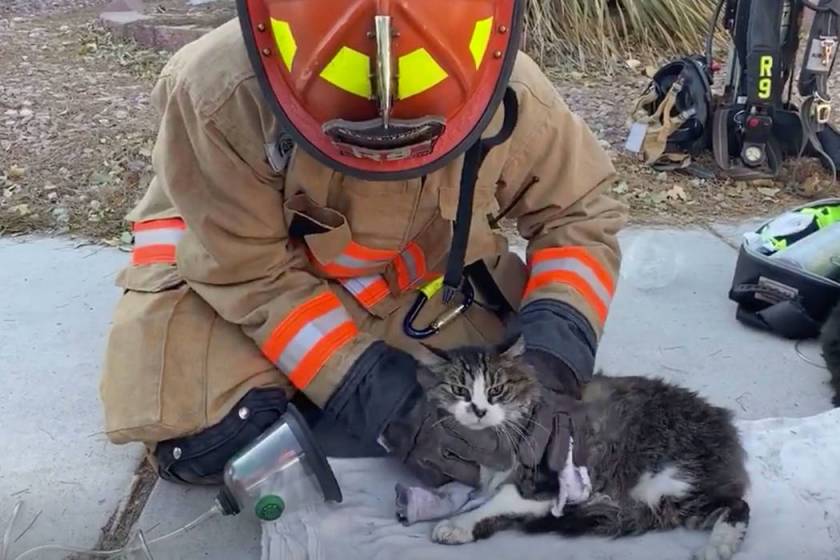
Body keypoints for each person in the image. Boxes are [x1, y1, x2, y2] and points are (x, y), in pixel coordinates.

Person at [99, 0, 628, 488]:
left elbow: (579, 216)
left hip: (416, 284)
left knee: (494, 415)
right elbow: (250, 273)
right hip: (236, 278)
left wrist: (553, 360)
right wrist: (381, 398)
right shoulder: (220, 91)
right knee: (210, 443)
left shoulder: (508, 88)